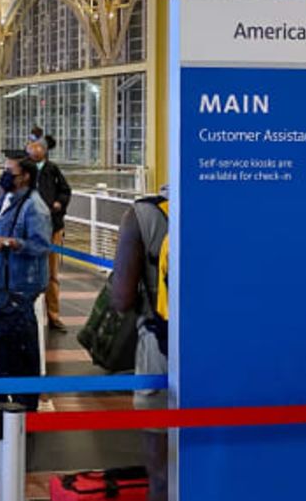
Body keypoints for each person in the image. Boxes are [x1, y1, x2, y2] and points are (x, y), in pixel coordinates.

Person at [110, 190, 169, 501]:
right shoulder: (232, 207)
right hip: (225, 352)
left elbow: (121, 298)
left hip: (160, 350)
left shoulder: (142, 215)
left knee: (161, 472)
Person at [0, 154, 52, 408]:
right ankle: (6, 393)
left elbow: (42, 245)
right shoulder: (9, 200)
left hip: (23, 285)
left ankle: (28, 398)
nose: (4, 174)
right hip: (3, 280)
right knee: (6, 342)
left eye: (9, 170)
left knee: (25, 346)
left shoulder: (35, 206)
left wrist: (10, 242)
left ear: (25, 176)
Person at [27, 136, 72, 331]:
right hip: (31, 227)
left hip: (52, 226)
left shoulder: (52, 169)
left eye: (37, 147)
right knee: (29, 270)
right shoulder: (25, 168)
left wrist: (59, 204)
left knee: (52, 273)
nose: (33, 150)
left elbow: (65, 190)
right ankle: (28, 314)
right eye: (31, 147)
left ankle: (53, 316)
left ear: (44, 150)